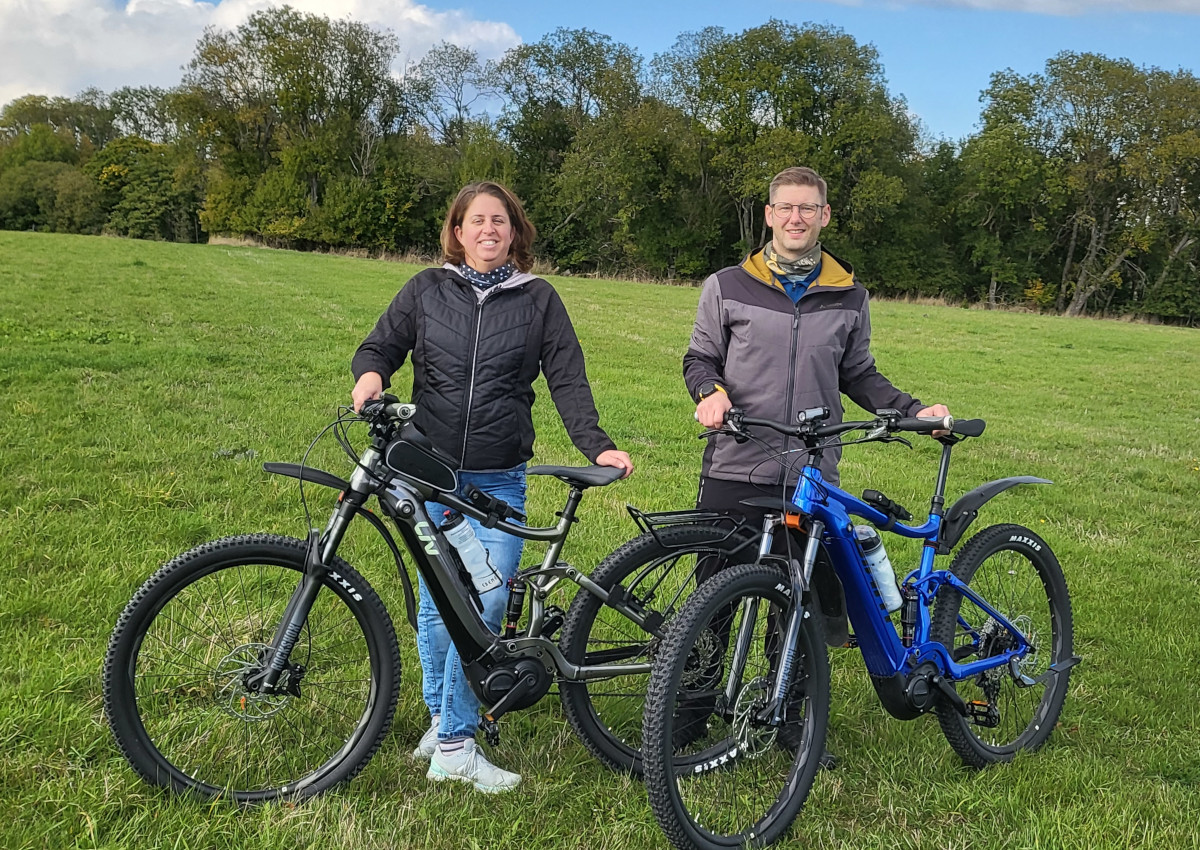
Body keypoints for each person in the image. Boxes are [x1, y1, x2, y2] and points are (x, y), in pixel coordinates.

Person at [351, 181, 633, 793]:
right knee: (438, 605)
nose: (488, 231)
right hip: (427, 471)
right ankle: (448, 733)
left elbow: (567, 379)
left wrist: (596, 443)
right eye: (476, 221)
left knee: (486, 601)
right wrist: (370, 377)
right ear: (457, 230)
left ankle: (451, 735)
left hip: (498, 476)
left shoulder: (538, 300)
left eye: (499, 221)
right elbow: (381, 345)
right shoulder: (425, 289)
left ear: (514, 233)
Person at [683, 166, 949, 764]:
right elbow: (699, 358)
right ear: (769, 215)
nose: (795, 218)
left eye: (807, 208)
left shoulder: (849, 294)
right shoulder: (727, 284)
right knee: (714, 596)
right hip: (738, 462)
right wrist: (709, 394)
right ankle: (689, 712)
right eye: (784, 208)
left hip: (812, 471)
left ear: (825, 216)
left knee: (799, 602)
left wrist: (911, 409)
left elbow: (858, 373)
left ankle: (791, 721)